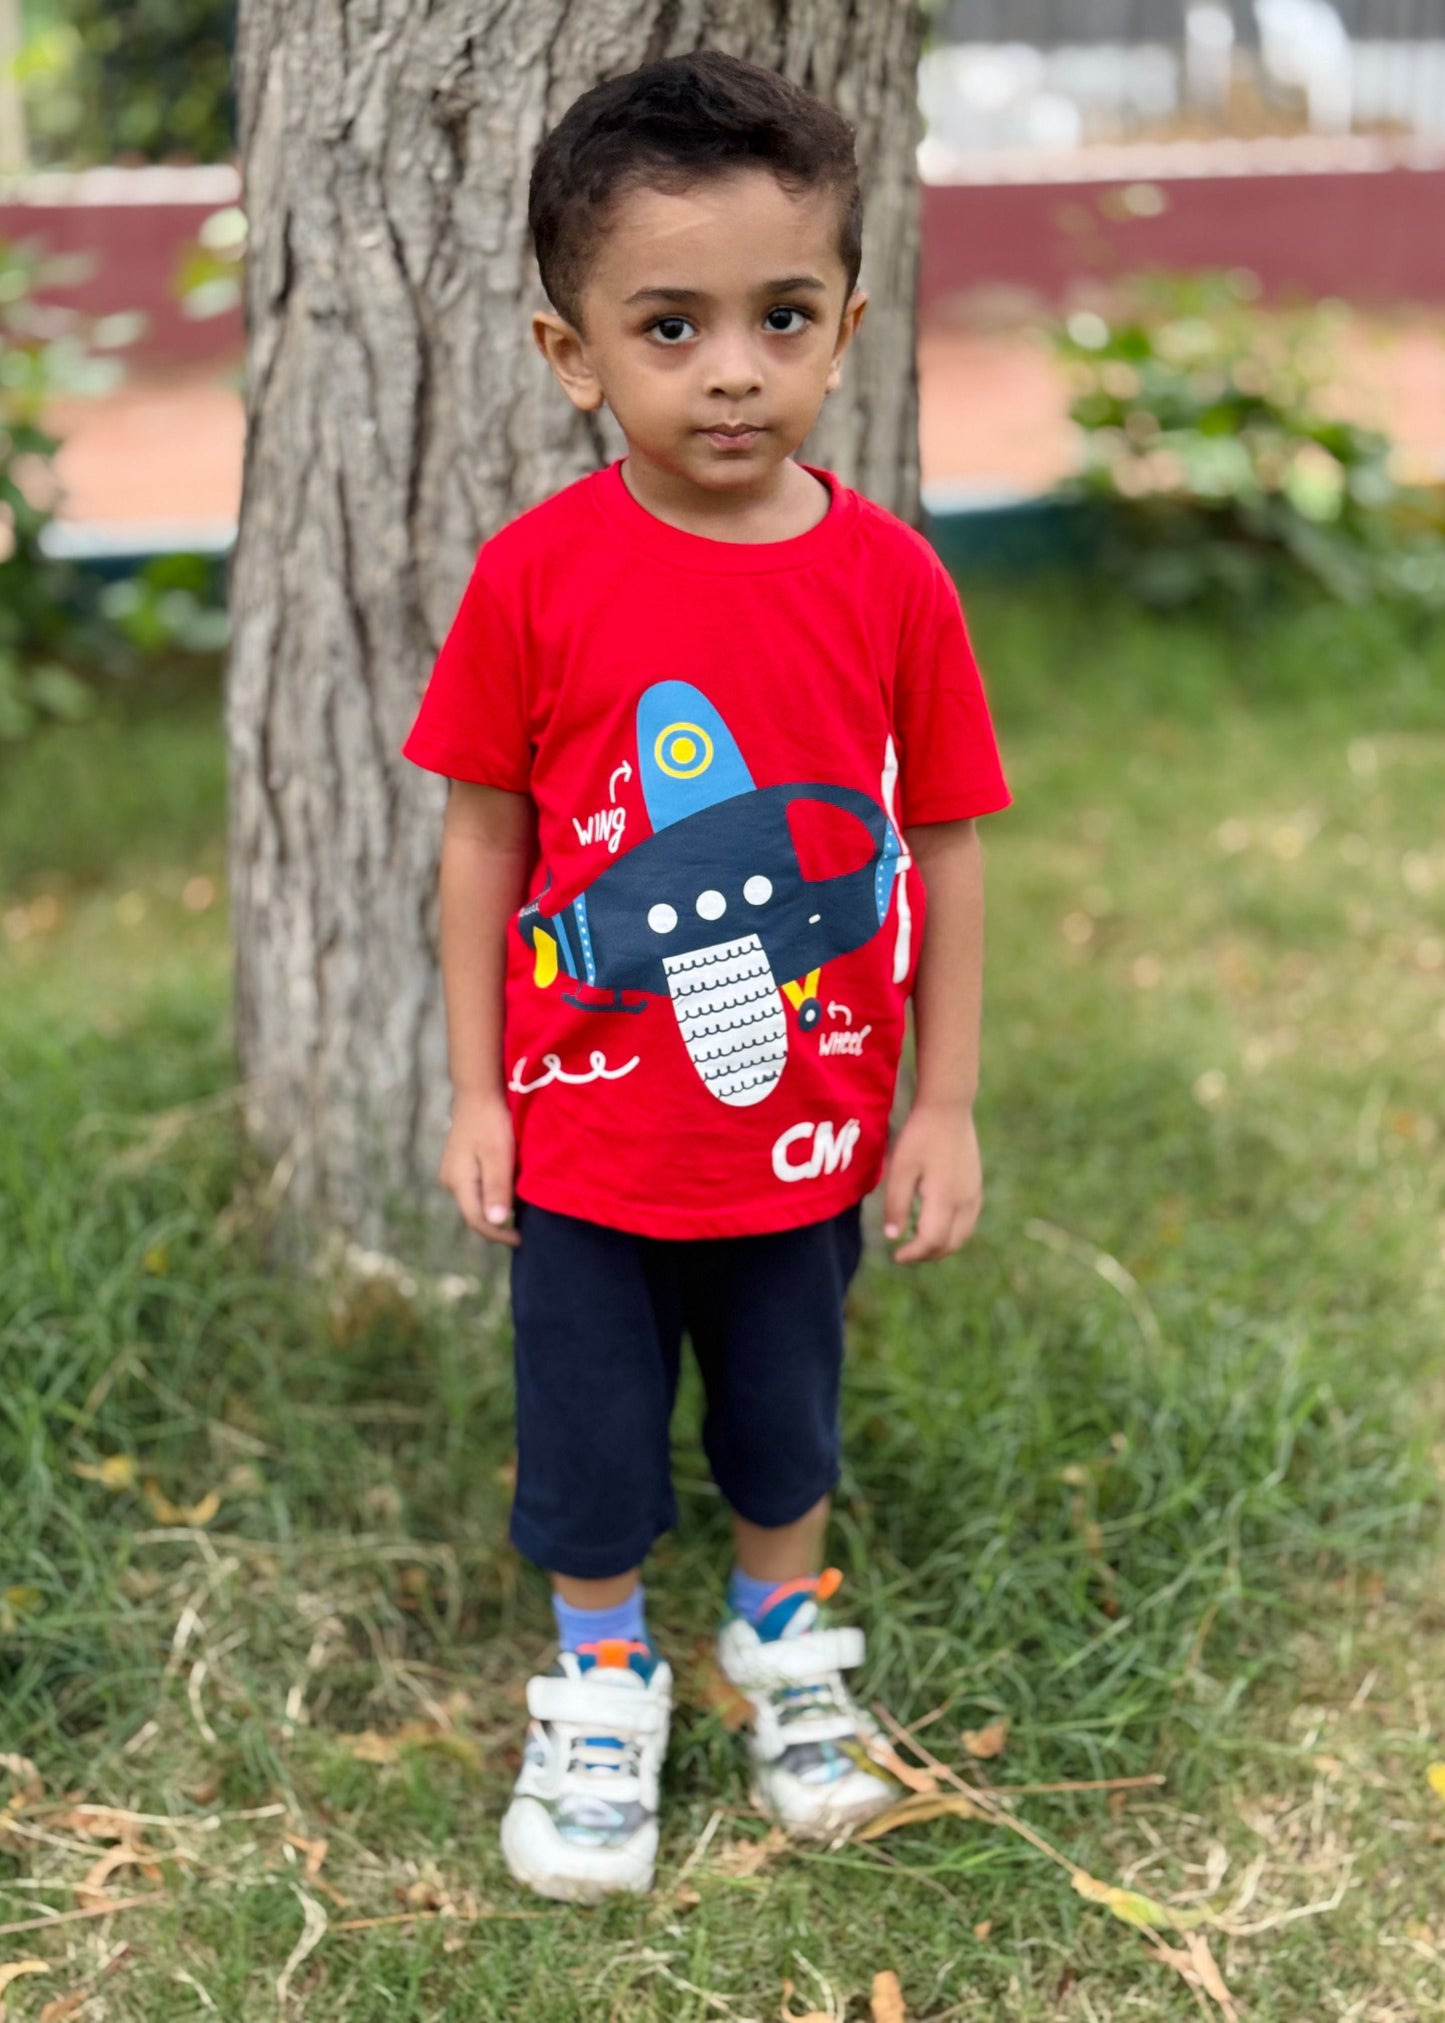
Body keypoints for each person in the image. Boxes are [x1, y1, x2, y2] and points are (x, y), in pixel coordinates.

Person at [399, 48, 1010, 1903]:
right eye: (670, 326)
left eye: (780, 317)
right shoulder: (535, 578)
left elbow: (943, 844)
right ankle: (600, 1683)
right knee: (588, 1436)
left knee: (781, 1420)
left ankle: (782, 1651)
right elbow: (483, 846)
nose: (732, 369)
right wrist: (474, 1088)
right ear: (571, 352)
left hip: (806, 1137)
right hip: (587, 1145)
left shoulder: (893, 584)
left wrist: (943, 1104)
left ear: (847, 329)